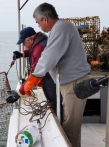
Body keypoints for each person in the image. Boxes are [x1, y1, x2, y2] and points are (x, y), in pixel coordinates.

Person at [6, 3, 91, 147]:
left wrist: (20, 92)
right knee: (68, 122)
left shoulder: (62, 28)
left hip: (75, 84)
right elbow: (47, 54)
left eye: (38, 22)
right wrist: (24, 53)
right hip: (69, 83)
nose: (38, 26)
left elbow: (46, 58)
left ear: (45, 19)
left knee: (70, 128)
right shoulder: (59, 29)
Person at [11, 26, 58, 106]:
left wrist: (19, 92)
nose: (23, 45)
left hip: (51, 80)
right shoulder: (40, 42)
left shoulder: (39, 49)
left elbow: (35, 75)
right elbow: (33, 52)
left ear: (31, 39)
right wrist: (23, 54)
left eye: (23, 42)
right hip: (50, 77)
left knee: (55, 103)